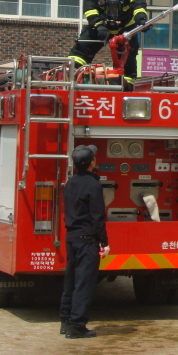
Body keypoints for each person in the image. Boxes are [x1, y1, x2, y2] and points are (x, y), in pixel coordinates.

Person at [67, 0, 148, 92]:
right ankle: (69, 78)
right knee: (81, 51)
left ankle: (126, 87)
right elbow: (89, 7)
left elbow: (138, 3)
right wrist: (98, 25)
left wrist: (141, 18)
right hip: (100, 26)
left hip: (125, 28)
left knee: (129, 59)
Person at [60, 145, 108, 339]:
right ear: (91, 163)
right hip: (87, 240)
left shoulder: (70, 183)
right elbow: (98, 217)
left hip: (71, 237)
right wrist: (104, 242)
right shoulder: (93, 185)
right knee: (84, 283)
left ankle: (65, 321)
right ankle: (77, 325)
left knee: (71, 281)